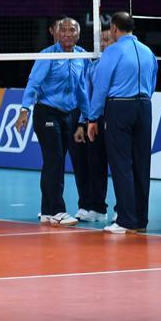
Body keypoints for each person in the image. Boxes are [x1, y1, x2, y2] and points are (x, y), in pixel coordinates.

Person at [86, 12, 157, 233]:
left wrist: (92, 117)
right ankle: (141, 221)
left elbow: (101, 87)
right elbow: (153, 81)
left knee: (121, 165)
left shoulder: (112, 51)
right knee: (141, 165)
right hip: (144, 107)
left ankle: (125, 220)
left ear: (115, 28)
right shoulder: (148, 51)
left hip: (119, 108)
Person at [16, 18, 89, 226]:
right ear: (56, 33)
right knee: (54, 160)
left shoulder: (82, 56)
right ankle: (57, 210)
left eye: (71, 30)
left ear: (78, 33)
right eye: (63, 30)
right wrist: (24, 110)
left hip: (69, 114)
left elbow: (82, 89)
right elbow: (33, 84)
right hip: (46, 113)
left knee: (54, 162)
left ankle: (46, 210)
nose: (67, 33)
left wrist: (85, 119)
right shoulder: (48, 55)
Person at [72, 26, 111, 223]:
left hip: (114, 119)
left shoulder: (116, 63)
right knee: (95, 164)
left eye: (107, 39)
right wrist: (83, 122)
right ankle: (97, 208)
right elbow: (86, 95)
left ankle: (123, 210)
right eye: (101, 40)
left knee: (120, 166)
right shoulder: (92, 66)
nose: (103, 43)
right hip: (94, 120)